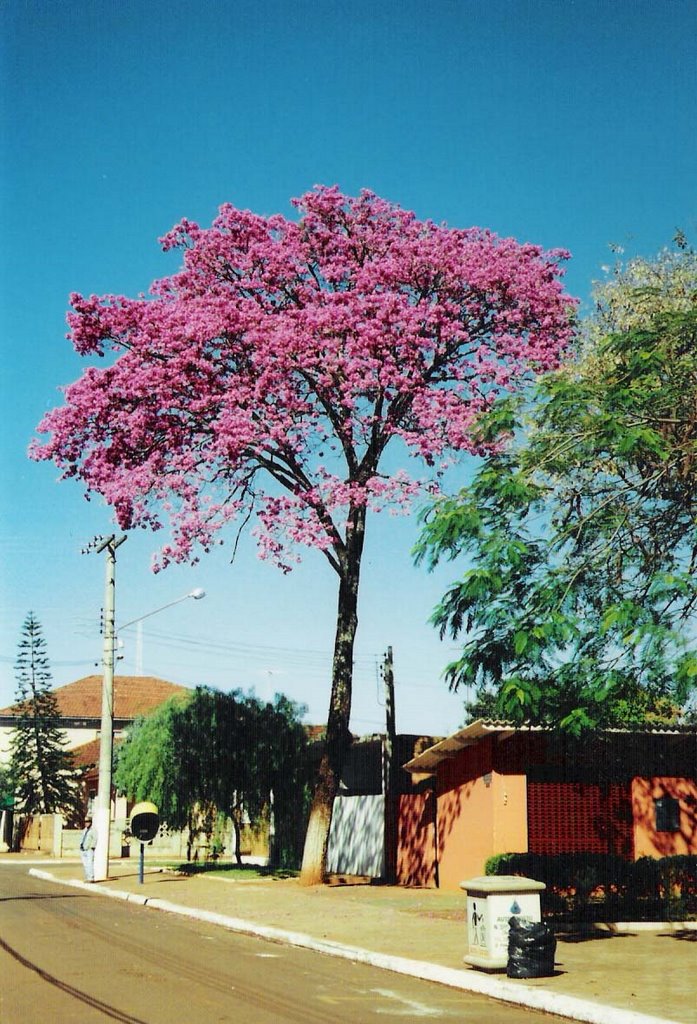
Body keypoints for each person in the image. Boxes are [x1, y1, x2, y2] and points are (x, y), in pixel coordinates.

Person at [79, 816, 97, 882]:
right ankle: (87, 877)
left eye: (88, 822)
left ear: (91, 822)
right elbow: (82, 838)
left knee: (90, 863)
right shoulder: (84, 830)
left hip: (89, 849)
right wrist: (80, 845)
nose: (86, 823)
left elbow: (95, 839)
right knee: (85, 864)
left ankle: (91, 878)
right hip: (83, 849)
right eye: (85, 822)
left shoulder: (93, 830)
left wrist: (92, 847)